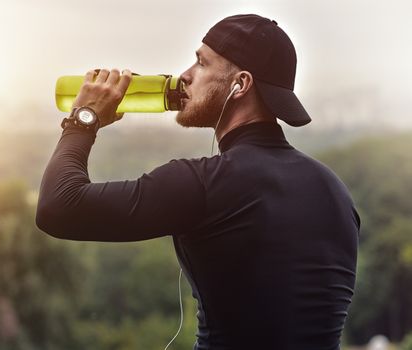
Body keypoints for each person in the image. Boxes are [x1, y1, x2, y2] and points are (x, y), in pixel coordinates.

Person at [36, 14, 360, 350]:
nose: (185, 76)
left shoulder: (205, 183)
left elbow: (57, 207)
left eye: (201, 63)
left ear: (241, 84)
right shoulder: (335, 190)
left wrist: (83, 119)